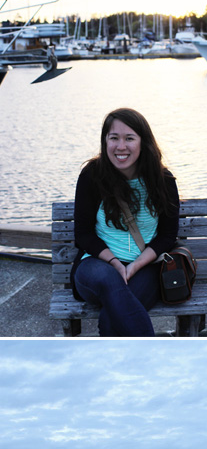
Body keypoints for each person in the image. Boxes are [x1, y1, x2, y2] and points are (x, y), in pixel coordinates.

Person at [71, 108, 179, 336]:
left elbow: (168, 235)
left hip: (145, 268)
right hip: (96, 265)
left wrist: (136, 265)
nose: (121, 147)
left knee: (112, 321)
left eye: (129, 138)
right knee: (109, 280)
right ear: (105, 141)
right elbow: (83, 234)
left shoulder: (162, 180)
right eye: (114, 138)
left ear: (143, 142)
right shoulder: (92, 175)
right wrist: (116, 264)